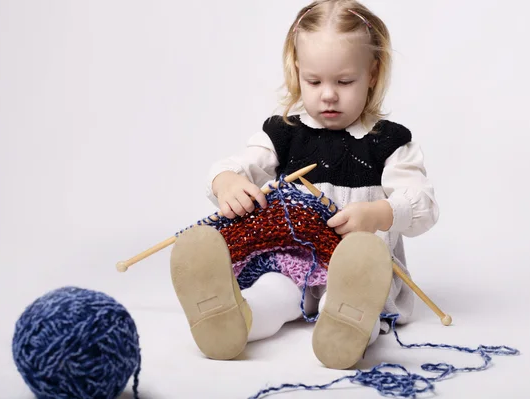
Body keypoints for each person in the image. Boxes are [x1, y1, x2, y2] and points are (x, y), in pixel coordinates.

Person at [169, 0, 439, 370]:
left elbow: (422, 204)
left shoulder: (388, 141)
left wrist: (380, 213)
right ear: (297, 71)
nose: (328, 94)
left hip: (355, 268)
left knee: (354, 297)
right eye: (314, 81)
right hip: (295, 259)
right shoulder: (284, 132)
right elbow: (239, 165)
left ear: (373, 74)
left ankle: (346, 330)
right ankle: (234, 320)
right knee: (273, 291)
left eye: (345, 81)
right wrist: (226, 181)